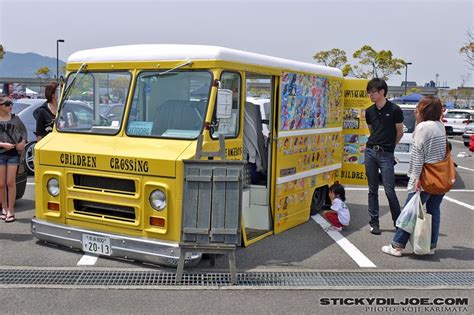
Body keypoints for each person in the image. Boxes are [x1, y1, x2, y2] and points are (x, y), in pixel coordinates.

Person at [382, 96, 447, 257]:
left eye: (419, 107)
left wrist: (416, 178)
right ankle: (430, 246)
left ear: (423, 110)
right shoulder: (440, 126)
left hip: (425, 176)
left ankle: (397, 246)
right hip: (440, 175)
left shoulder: (423, 127)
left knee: (410, 212)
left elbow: (418, 155)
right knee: (434, 211)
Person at [364, 78, 404, 235]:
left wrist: (390, 148)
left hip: (386, 154)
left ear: (382, 92)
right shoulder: (369, 111)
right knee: (372, 189)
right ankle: (374, 222)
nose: (370, 95)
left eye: (372, 92)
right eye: (369, 92)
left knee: (389, 190)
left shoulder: (395, 110)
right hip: (370, 152)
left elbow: (399, 132)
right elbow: (371, 130)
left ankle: (398, 222)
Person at [0, 96, 27, 223]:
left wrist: (23, 142)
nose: (10, 106)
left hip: (13, 154)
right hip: (0, 154)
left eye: (11, 103)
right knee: (1, 184)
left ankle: (11, 210)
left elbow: (24, 133)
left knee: (10, 182)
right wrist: (2, 144)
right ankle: (4, 208)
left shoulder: (16, 119)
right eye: (7, 104)